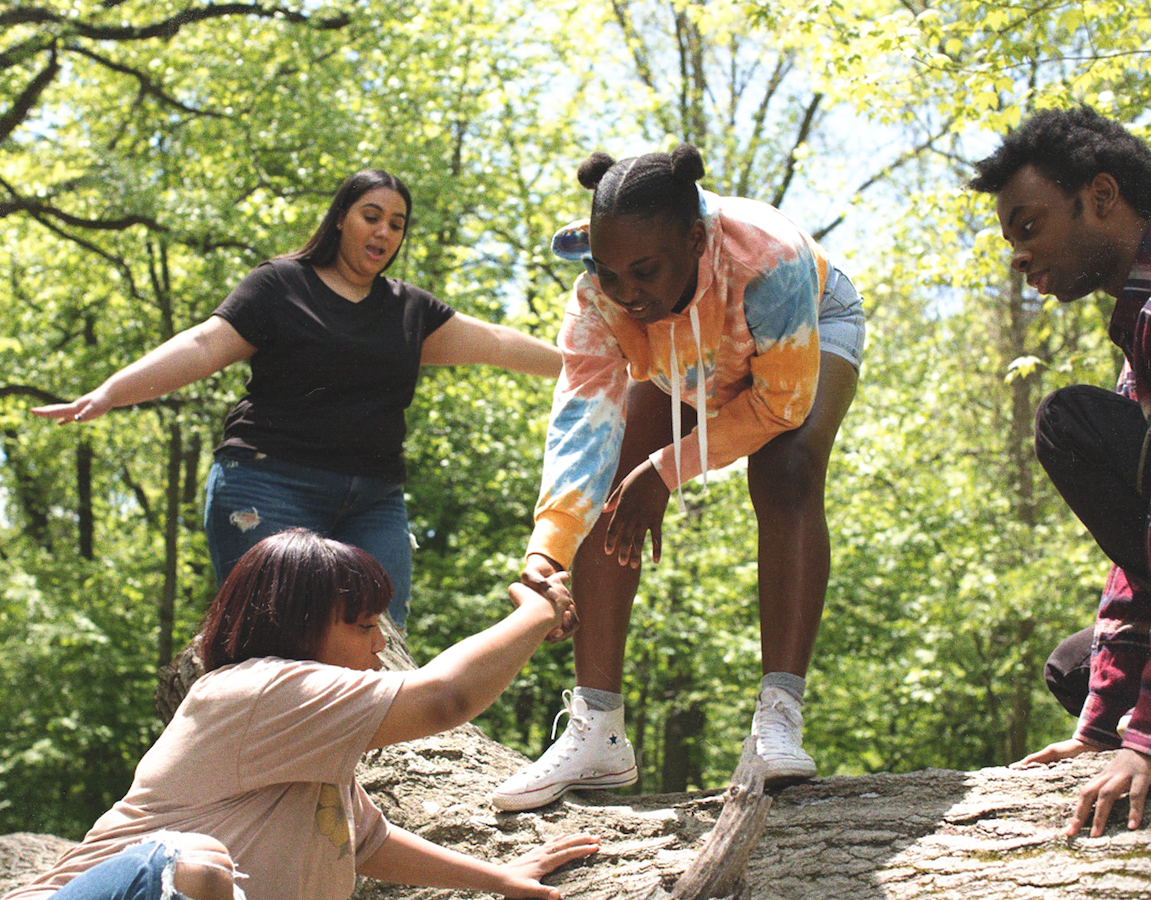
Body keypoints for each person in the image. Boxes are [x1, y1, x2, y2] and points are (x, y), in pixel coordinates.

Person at [491, 143, 865, 811]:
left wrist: (668, 467)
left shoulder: (768, 263)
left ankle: (778, 718)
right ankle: (598, 730)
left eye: (643, 270)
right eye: (609, 272)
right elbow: (582, 427)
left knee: (788, 470)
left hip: (800, 327)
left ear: (694, 238)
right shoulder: (603, 297)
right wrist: (543, 552)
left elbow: (780, 404)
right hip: (681, 353)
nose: (626, 291)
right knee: (608, 482)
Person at [31, 168, 561, 626]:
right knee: (279, 640)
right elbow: (201, 343)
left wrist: (593, 370)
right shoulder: (280, 285)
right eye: (370, 215)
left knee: (380, 643)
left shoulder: (409, 310)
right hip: (269, 485)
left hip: (374, 502)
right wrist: (108, 394)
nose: (383, 231)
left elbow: (496, 341)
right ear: (339, 219)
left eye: (396, 225)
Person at [2, 528, 598, 900]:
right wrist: (539, 609)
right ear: (293, 623)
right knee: (196, 866)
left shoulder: (306, 750)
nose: (377, 648)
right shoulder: (255, 690)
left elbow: (366, 843)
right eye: (362, 626)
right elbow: (445, 698)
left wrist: (498, 878)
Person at [967, 105, 1151, 838]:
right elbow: (1140, 547)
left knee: (1066, 420)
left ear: (1101, 198)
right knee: (1077, 669)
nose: (1018, 257)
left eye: (1029, 227)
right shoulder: (1146, 330)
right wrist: (1101, 729)